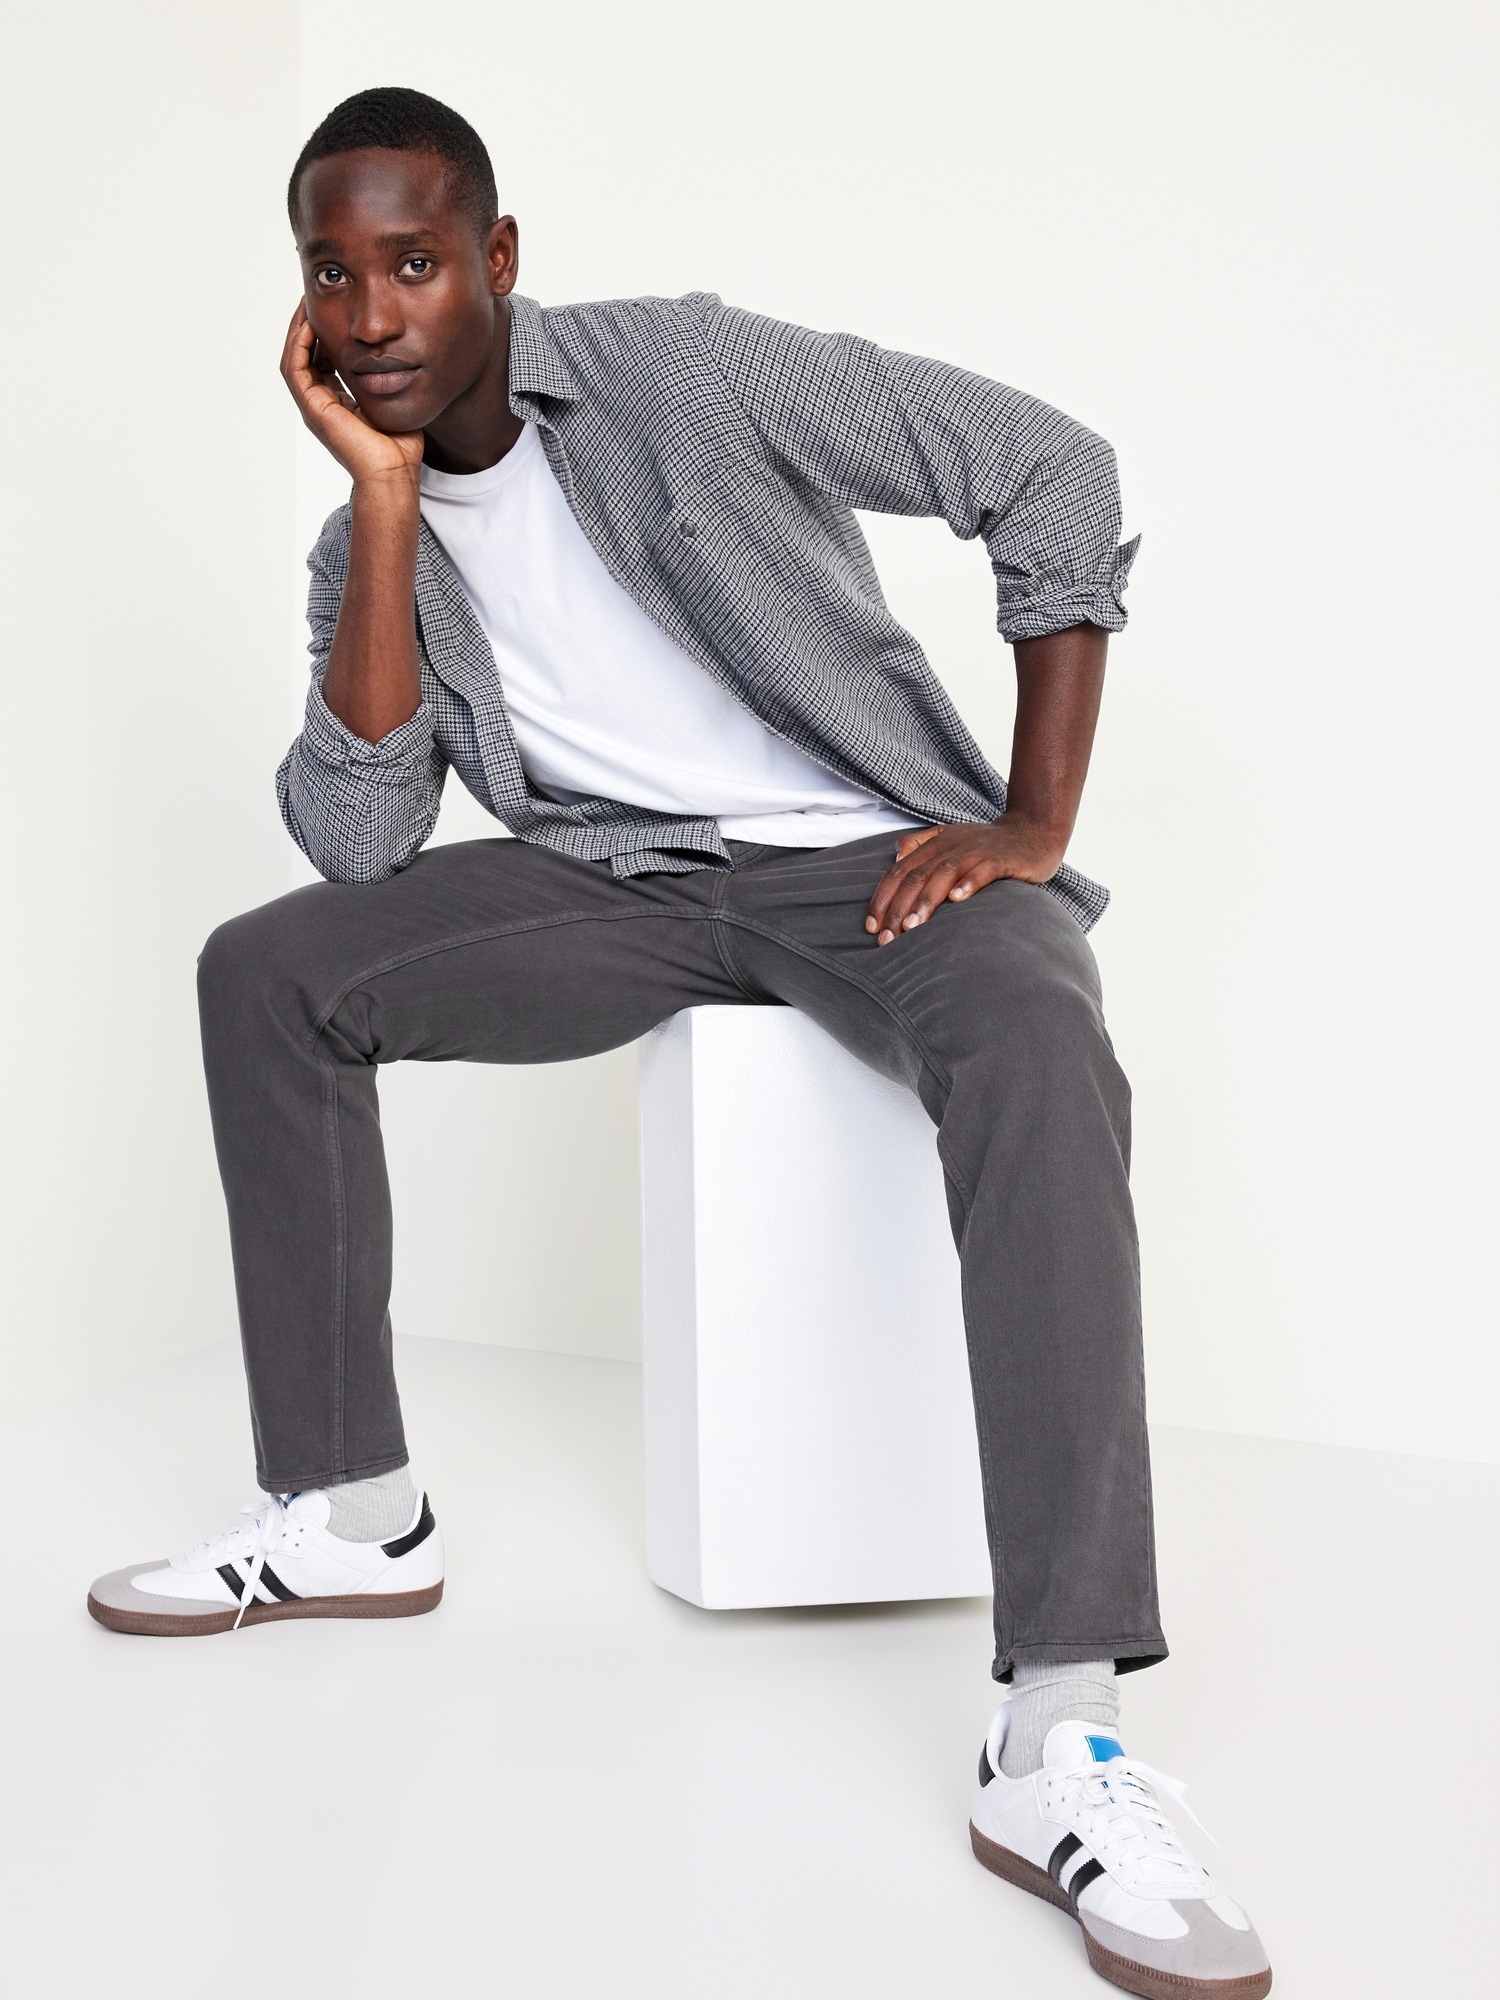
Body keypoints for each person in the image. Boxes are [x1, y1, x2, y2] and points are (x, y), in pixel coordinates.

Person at [86, 87, 1270, 1999]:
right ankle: (353, 1513)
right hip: (623, 885)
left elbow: (1048, 465)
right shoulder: (362, 548)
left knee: (1044, 1046)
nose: (373, 316)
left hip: (872, 863)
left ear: (498, 259)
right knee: (268, 972)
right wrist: (383, 503)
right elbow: (363, 842)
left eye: (414, 262)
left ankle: (1060, 1729)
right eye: (333, 274)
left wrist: (1032, 821)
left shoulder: (687, 376)